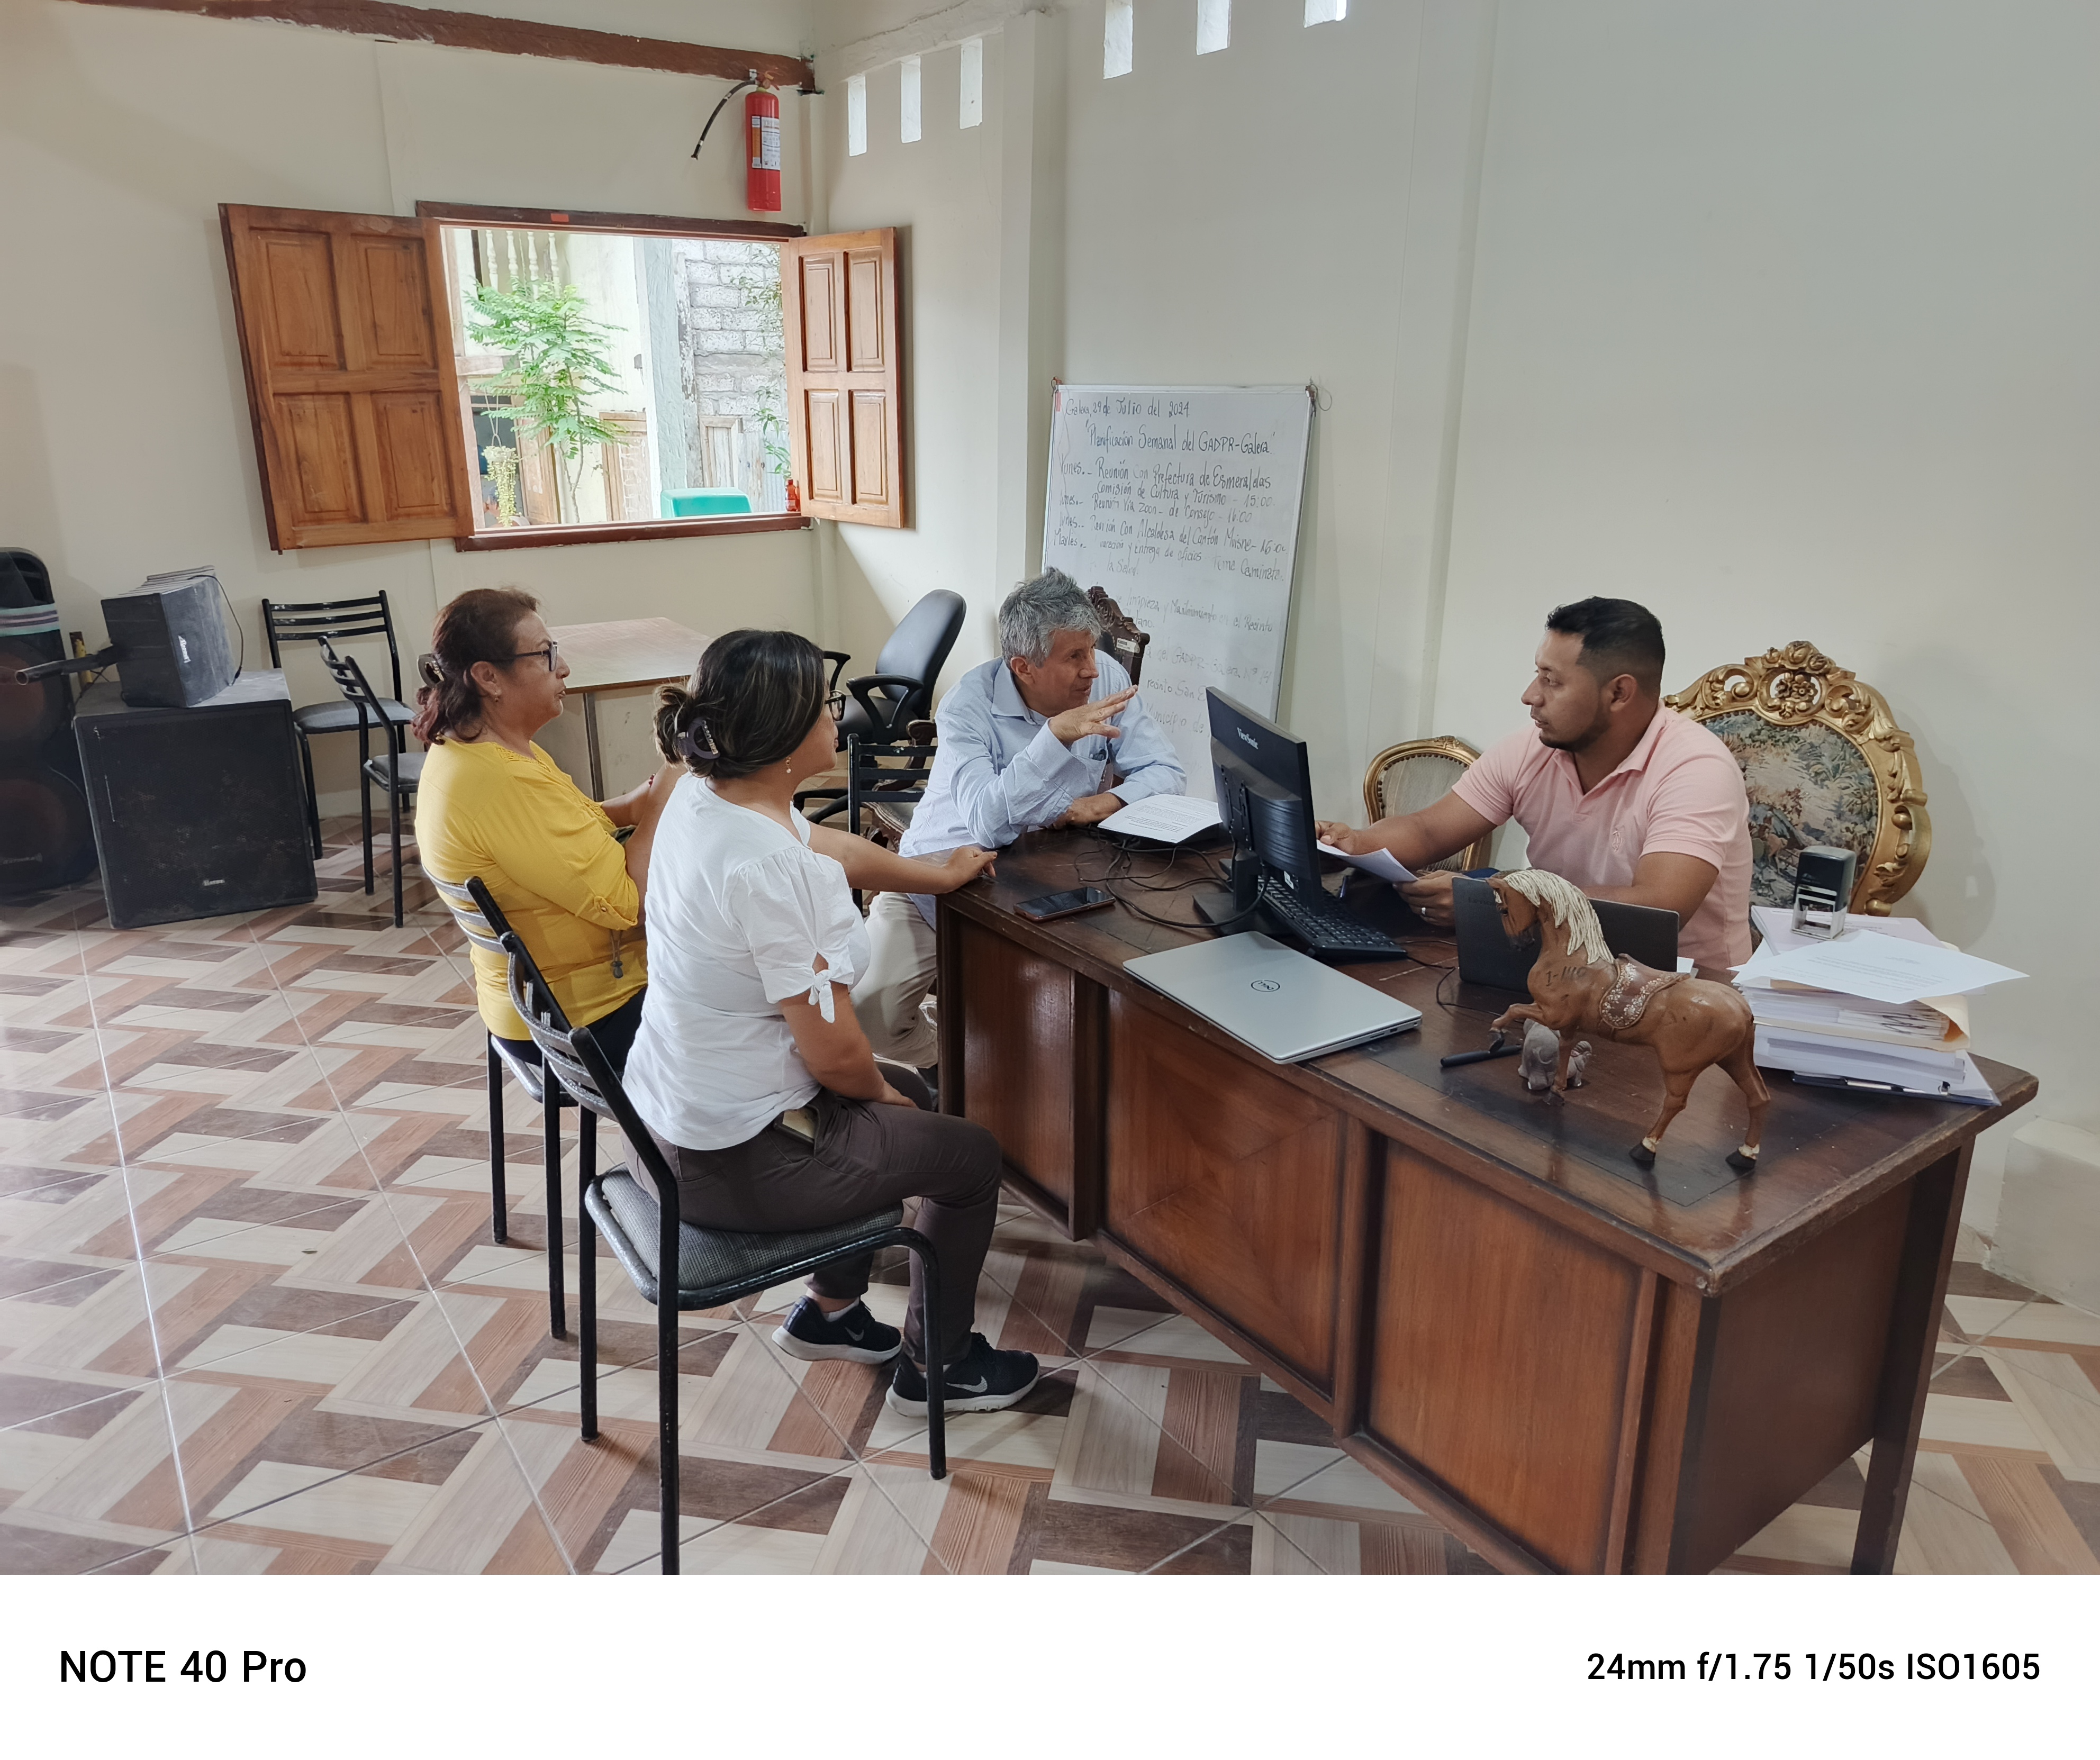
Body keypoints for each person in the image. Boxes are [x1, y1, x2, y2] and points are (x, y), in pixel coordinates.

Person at [622, 629, 1038, 1416]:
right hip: (728, 1163)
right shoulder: (770, 869)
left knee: (913, 1094)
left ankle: (831, 1310)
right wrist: (884, 1098)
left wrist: (937, 874)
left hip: (662, 1123)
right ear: (784, 735)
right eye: (823, 705)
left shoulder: (703, 796)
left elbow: (830, 847)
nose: (837, 715)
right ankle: (939, 1366)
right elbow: (838, 1057)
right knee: (969, 1154)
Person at [852, 568, 1187, 1066]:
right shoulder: (967, 706)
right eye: (1074, 657)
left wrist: (1101, 805)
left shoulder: (1106, 680)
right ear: (1023, 667)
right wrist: (1054, 739)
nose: (1092, 671)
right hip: (942, 877)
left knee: (1098, 1010)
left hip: (1054, 876)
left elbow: (1167, 773)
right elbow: (987, 824)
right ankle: (964, 1063)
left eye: (1092, 650)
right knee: (869, 1016)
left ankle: (1005, 1070)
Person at [1317, 597, 1753, 969]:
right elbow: (1428, 831)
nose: (1531, 695)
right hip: (1557, 964)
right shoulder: (1533, 748)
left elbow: (1660, 905)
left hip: (1685, 990)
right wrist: (1352, 843)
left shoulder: (1696, 768)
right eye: (1537, 674)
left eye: (1552, 680)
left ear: (1619, 693)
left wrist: (1500, 900)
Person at [412, 587, 680, 1073]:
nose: (563, 668)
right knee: (763, 1008)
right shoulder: (501, 780)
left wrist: (636, 806)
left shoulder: (481, 749)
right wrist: (669, 785)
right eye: (544, 655)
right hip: (583, 1020)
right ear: (488, 677)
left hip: (549, 1004)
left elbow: (567, 830)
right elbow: (629, 902)